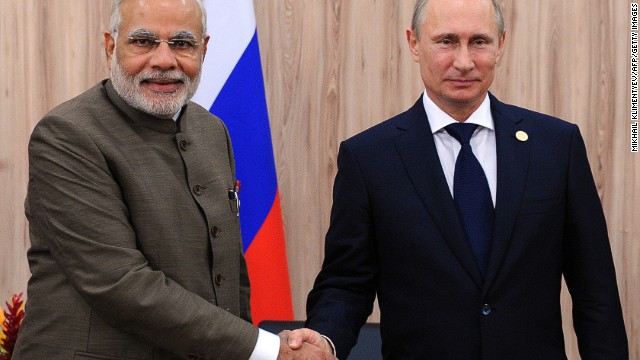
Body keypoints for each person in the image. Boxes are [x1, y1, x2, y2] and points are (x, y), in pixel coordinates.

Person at [290, 0, 629, 358]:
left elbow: (596, 291)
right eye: (447, 41)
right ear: (414, 43)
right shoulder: (369, 158)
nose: (464, 61)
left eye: (479, 42)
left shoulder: (557, 147)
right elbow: (346, 284)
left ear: (500, 44)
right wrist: (324, 339)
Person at [14, 0, 334, 359]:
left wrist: (255, 349)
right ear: (110, 45)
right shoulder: (67, 135)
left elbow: (227, 272)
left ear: (204, 49)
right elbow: (121, 283)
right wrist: (268, 349)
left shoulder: (211, 131)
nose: (164, 60)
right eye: (144, 41)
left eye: (182, 44)